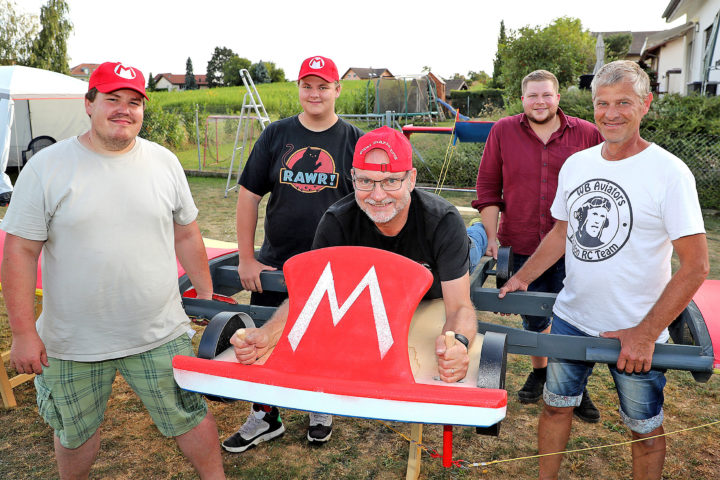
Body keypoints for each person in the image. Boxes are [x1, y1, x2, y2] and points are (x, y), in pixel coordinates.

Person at [1, 62, 225, 480]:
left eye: (134, 102)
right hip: (72, 340)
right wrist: (24, 333)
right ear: (89, 104)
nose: (125, 110)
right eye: (113, 99)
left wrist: (206, 296)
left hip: (159, 331)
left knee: (189, 415)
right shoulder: (47, 167)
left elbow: (188, 235)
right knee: (75, 431)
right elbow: (20, 251)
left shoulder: (164, 162)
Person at [499, 60, 709, 480]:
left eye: (623, 103)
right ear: (591, 105)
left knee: (644, 429)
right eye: (602, 103)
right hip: (572, 318)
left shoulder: (669, 173)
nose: (611, 113)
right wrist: (523, 276)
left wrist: (646, 333)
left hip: (636, 328)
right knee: (556, 406)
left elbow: (696, 266)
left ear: (646, 105)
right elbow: (562, 232)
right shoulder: (578, 164)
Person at [230, 125, 476, 412]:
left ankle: (481, 231)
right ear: (352, 179)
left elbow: (460, 306)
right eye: (366, 182)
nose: (378, 195)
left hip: (432, 296)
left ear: (411, 180)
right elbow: (308, 297)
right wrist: (267, 334)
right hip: (386, 299)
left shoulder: (443, 220)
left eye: (390, 181)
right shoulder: (336, 221)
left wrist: (457, 344)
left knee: (475, 242)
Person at [224, 55, 363, 452]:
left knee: (321, 336)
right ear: (298, 89)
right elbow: (249, 196)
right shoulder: (276, 135)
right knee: (264, 336)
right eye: (307, 85)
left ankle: (319, 406)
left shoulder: (352, 139)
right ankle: (266, 415)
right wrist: (248, 258)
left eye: (323, 86)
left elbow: (368, 201)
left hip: (330, 262)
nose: (314, 93)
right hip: (275, 259)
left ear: (337, 90)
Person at [469, 69, 604, 422]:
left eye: (546, 95)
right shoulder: (503, 131)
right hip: (523, 240)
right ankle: (542, 372)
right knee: (535, 318)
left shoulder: (588, 134)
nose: (540, 102)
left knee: (578, 320)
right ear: (522, 99)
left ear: (558, 98)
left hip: (577, 247)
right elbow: (487, 188)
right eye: (532, 96)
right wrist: (492, 238)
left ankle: (576, 385)